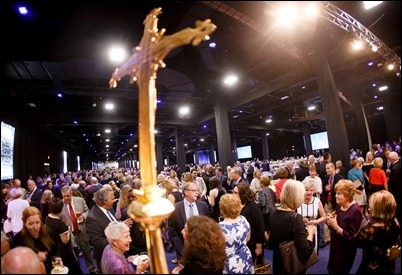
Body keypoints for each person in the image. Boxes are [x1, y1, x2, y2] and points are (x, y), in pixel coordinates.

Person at [268, 179, 315, 274]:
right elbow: (305, 251)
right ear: (297, 197)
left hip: (278, 260)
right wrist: (310, 234)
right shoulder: (296, 218)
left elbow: (271, 241)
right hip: (291, 263)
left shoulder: (273, 212)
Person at [355, 190, 401, 274]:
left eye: (371, 206)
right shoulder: (396, 222)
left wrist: (368, 222)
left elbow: (357, 243)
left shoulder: (368, 230)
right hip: (388, 266)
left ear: (377, 210)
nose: (368, 208)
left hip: (370, 268)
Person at [326, 179, 363, 274]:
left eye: (339, 194)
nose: (335, 196)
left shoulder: (355, 210)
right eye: (336, 193)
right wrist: (330, 221)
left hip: (345, 250)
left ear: (348, 195)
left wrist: (336, 227)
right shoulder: (340, 205)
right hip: (336, 245)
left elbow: (351, 236)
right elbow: (336, 225)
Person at [168, 182, 210, 264]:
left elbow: (208, 225)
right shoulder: (176, 208)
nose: (197, 193)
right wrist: (177, 244)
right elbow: (171, 228)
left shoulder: (203, 206)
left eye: (197, 190)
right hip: (183, 248)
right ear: (186, 192)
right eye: (194, 190)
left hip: (202, 247)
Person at [60, 185, 98, 274]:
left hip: (81, 232)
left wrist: (83, 217)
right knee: (74, 256)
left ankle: (92, 269)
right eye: (64, 196)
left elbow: (87, 211)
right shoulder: (60, 204)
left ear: (71, 194)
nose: (66, 198)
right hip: (70, 234)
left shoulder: (80, 201)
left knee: (87, 252)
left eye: (68, 196)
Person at [10, 206, 56, 273]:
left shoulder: (49, 233)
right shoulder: (18, 239)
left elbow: (56, 250)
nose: (35, 227)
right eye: (31, 224)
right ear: (25, 223)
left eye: (37, 222)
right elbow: (15, 263)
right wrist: (35, 256)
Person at [45, 197, 82, 274]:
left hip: (53, 250)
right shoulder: (60, 224)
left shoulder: (47, 218)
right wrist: (68, 230)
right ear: (61, 208)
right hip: (63, 253)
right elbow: (65, 241)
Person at [219, 194, 254, 274]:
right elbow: (248, 238)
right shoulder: (243, 219)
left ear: (222, 209)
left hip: (229, 262)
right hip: (245, 256)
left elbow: (217, 249)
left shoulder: (220, 227)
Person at [233, 183, 265, 264]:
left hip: (253, 243)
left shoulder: (252, 207)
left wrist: (259, 246)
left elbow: (260, 226)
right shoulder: (237, 205)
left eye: (235, 193)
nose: (233, 194)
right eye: (233, 192)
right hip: (244, 244)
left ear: (243, 194)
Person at [296, 179, 326, 254]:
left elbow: (324, 217)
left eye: (311, 190)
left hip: (314, 229)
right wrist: (301, 219)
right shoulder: (297, 200)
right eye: (306, 190)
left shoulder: (317, 201)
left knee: (313, 252)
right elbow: (291, 217)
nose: (309, 192)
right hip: (299, 230)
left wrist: (316, 221)